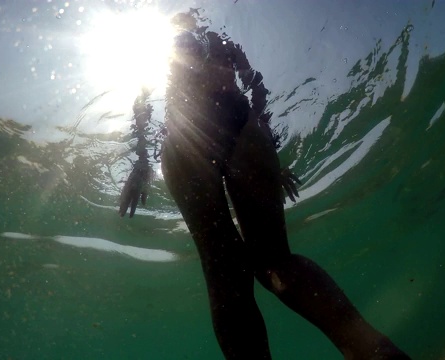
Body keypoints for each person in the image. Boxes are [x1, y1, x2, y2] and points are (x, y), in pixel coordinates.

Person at [157, 10, 409, 359]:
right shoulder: (222, 43)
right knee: (273, 262)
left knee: (224, 270)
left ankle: (373, 351)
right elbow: (256, 85)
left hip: (188, 137)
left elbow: (143, 108)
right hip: (236, 124)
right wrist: (266, 143)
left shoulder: (166, 54)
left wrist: (141, 164)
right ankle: (375, 352)